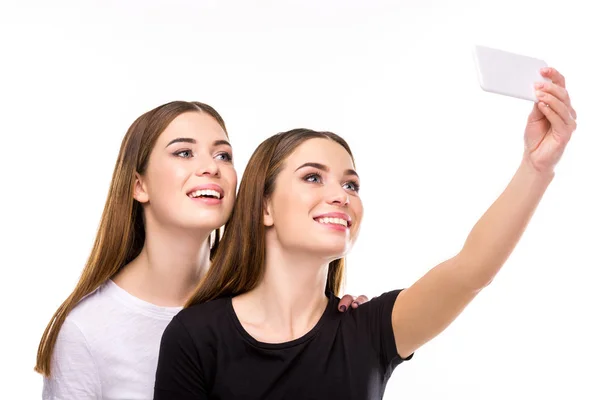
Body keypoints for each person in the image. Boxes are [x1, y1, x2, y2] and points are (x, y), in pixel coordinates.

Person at [153, 67, 577, 399]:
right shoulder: (195, 336)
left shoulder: (369, 330)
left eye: (351, 184)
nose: (341, 196)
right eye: (313, 178)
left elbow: (472, 270)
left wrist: (537, 166)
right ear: (265, 206)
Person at [35, 101, 366, 400]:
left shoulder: (256, 298)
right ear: (139, 185)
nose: (212, 168)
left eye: (223, 155)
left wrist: (341, 324)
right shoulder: (88, 330)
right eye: (183, 153)